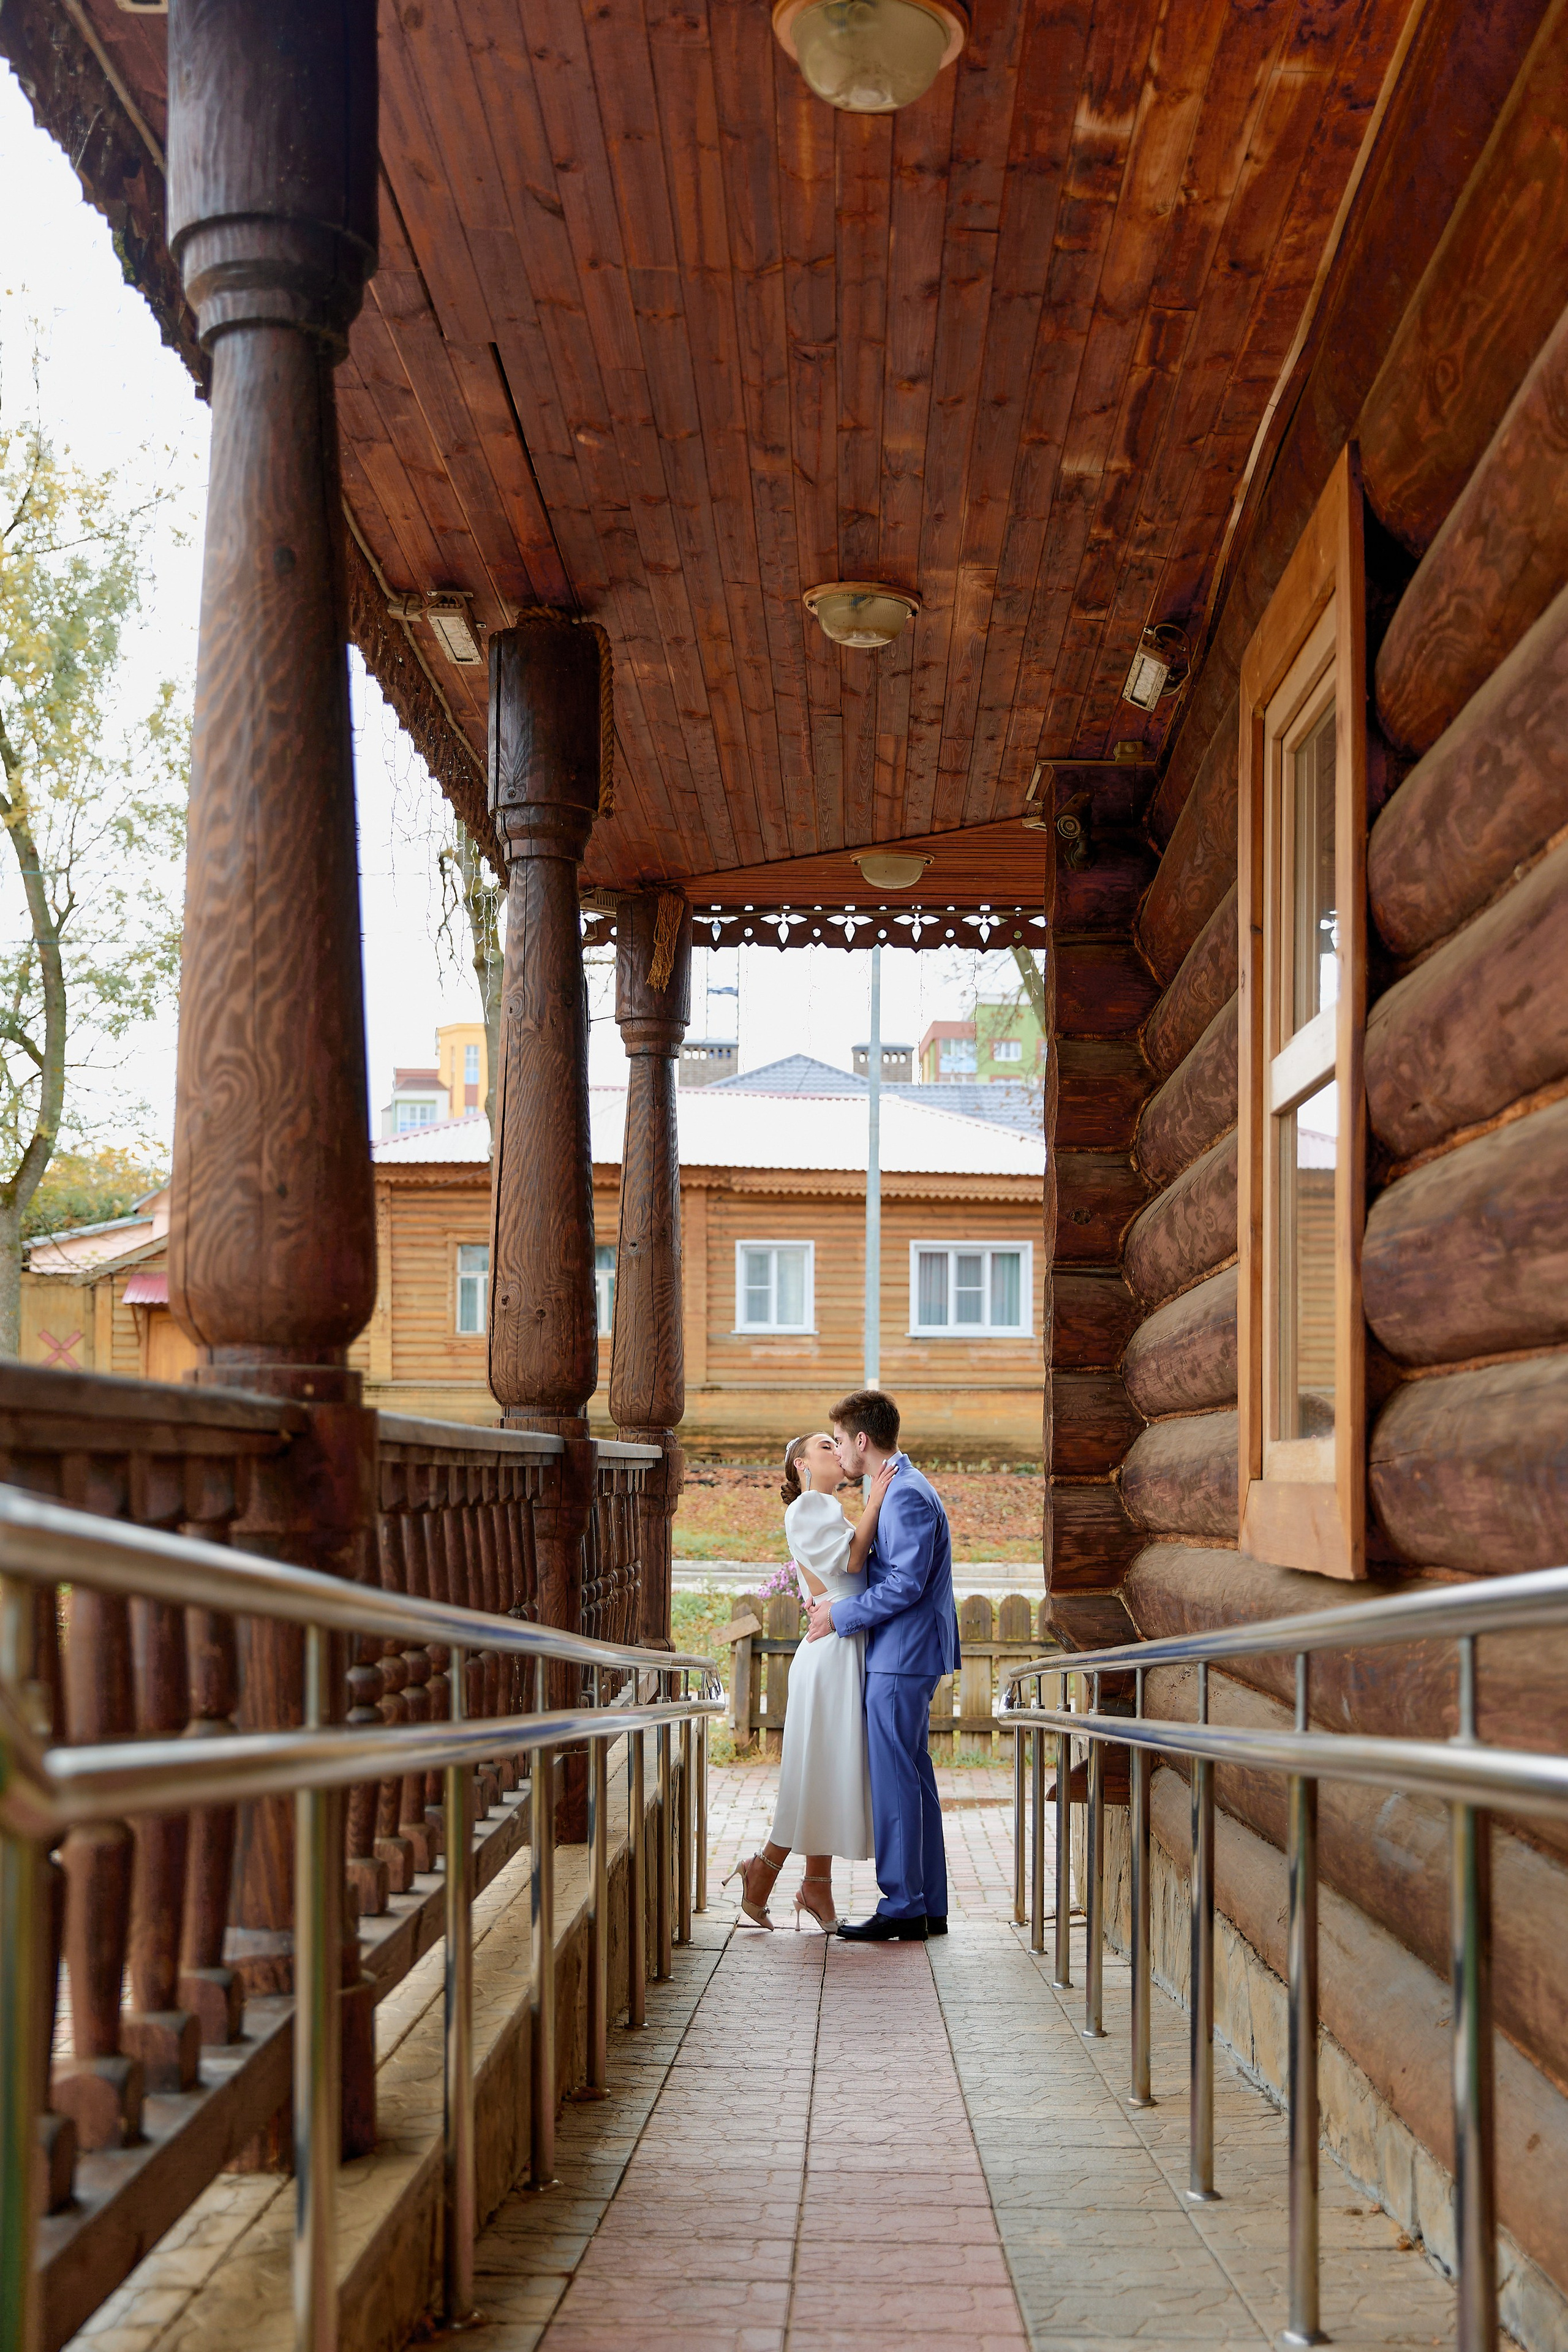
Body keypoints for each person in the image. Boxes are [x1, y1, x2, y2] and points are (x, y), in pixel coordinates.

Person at [804, 1387, 959, 1942]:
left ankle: (903, 1905)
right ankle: (928, 1904)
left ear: (862, 1440)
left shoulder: (906, 1494)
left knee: (895, 1782)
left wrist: (839, 1615)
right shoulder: (896, 1487)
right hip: (905, 1653)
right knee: (913, 1778)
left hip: (902, 1655)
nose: (839, 1450)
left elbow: (906, 1584)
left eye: (840, 1440)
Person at [722, 1434, 895, 1930]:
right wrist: (876, 1499)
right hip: (832, 1653)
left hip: (841, 1644)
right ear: (802, 1465)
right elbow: (852, 1563)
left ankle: (809, 1883)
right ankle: (767, 1870)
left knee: (827, 1770)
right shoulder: (810, 1506)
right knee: (819, 1769)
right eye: (825, 1446)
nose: (836, 1451)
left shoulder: (823, 1507)